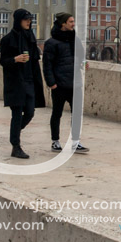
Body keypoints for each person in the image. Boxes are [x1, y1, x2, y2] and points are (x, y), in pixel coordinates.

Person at [0, 9, 46, 159]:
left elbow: (35, 60)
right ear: (18, 20)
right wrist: (15, 59)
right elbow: (3, 61)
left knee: (30, 112)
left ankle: (15, 133)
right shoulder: (7, 39)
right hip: (16, 82)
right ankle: (16, 146)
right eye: (26, 19)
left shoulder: (30, 37)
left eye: (30, 19)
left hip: (30, 81)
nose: (29, 22)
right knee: (17, 114)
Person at [43, 13, 89, 154]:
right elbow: (47, 65)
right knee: (57, 113)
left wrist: (83, 63)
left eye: (73, 21)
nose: (73, 24)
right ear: (63, 24)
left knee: (77, 114)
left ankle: (75, 142)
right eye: (70, 22)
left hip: (75, 83)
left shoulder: (75, 40)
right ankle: (55, 141)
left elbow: (81, 56)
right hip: (59, 84)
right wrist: (51, 83)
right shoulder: (51, 43)